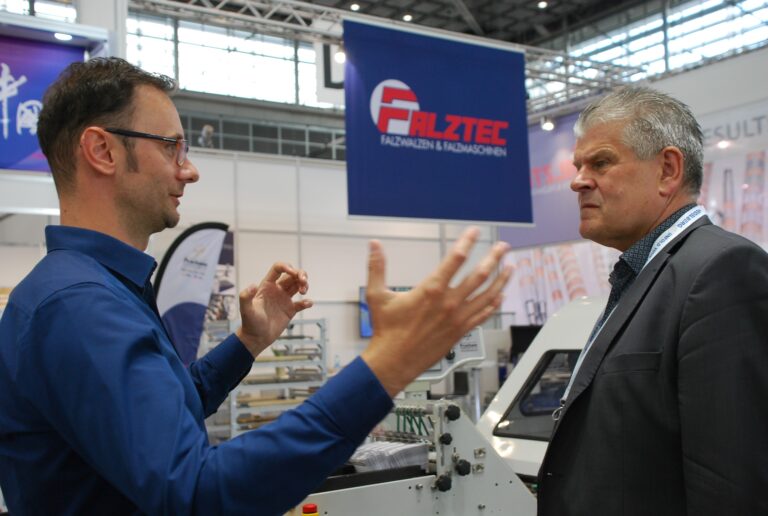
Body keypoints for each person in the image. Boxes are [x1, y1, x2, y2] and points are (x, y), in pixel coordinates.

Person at [0, 57, 512, 515]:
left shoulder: (93, 290)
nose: (190, 170)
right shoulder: (79, 305)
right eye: (172, 147)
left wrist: (247, 343)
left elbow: (160, 415)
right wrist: (385, 366)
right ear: (102, 151)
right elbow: (196, 491)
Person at [537, 86, 768, 515]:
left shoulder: (722, 271)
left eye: (601, 162)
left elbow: (732, 483)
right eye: (578, 165)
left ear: (667, 170)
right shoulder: (645, 275)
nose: (577, 180)